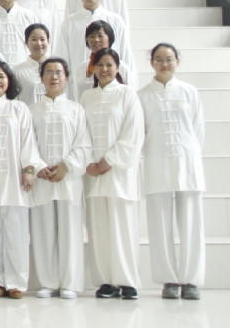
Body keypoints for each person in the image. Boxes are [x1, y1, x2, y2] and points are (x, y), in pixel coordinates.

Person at [0, 60, 45, 299]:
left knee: (16, 234)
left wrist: (29, 170)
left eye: (1, 76)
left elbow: (28, 141)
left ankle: (16, 283)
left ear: (9, 81)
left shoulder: (19, 109)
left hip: (15, 181)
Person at [139, 43, 205, 300]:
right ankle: (168, 280)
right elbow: (141, 133)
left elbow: (198, 130)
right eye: (158, 59)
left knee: (191, 223)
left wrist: (188, 153)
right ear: (151, 63)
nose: (164, 64)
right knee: (159, 223)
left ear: (178, 61)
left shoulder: (189, 92)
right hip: (156, 162)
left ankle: (190, 280)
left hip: (188, 163)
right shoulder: (142, 96)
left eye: (169, 59)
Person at [81, 48, 144, 300]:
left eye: (109, 65)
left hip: (118, 172)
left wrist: (110, 160)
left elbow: (133, 133)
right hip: (93, 173)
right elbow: (81, 132)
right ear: (93, 69)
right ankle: (106, 281)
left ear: (118, 68)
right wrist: (89, 162)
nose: (104, 69)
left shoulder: (127, 94)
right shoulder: (86, 97)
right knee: (98, 228)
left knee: (122, 227)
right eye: (99, 65)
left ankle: (126, 281)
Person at [29, 58, 90, 300]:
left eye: (59, 73)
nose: (54, 77)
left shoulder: (76, 109)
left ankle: (69, 283)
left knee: (70, 230)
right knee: (43, 230)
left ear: (66, 78)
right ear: (41, 78)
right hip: (42, 179)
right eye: (49, 73)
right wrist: (38, 167)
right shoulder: (32, 110)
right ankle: (48, 282)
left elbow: (83, 144)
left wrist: (67, 166)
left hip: (68, 179)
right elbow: (27, 144)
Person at [56, 0, 135, 98]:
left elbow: (125, 53)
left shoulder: (115, 20)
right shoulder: (70, 22)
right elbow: (63, 56)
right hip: (80, 85)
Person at [11, 24, 51, 105]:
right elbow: (13, 102)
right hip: (27, 112)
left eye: (42, 39)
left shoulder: (56, 69)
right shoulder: (17, 71)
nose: (39, 43)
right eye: (34, 39)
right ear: (26, 42)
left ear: (48, 42)